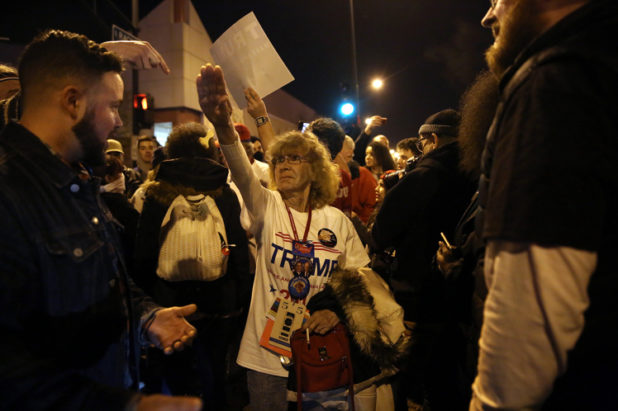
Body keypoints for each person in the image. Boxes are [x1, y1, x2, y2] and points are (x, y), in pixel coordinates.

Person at [0, 29, 201, 410]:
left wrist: (145, 316)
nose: (118, 123)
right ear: (73, 102)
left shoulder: (77, 180)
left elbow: (101, 276)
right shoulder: (10, 196)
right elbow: (11, 371)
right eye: (112, 106)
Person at [196, 63, 370, 411]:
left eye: (295, 159)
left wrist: (336, 312)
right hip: (266, 355)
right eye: (279, 160)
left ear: (316, 170)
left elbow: (361, 278)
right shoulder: (267, 205)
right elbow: (242, 171)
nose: (284, 165)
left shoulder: (336, 221)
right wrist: (221, 123)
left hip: (322, 345)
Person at [471, 0, 618, 409]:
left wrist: (489, 401)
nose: (488, 16)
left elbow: (527, 327)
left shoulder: (555, 81)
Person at [133, 122, 250, 407]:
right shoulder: (224, 190)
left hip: (170, 302)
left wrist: (148, 303)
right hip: (219, 303)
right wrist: (242, 300)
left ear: (171, 149)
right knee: (216, 374)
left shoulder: (157, 191)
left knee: (176, 377)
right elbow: (238, 248)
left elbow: (144, 253)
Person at [372, 109, 476, 410]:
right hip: (461, 299)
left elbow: (381, 235)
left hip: (417, 298)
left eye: (422, 144)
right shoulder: (480, 175)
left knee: (410, 383)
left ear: (432, 139)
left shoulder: (424, 176)